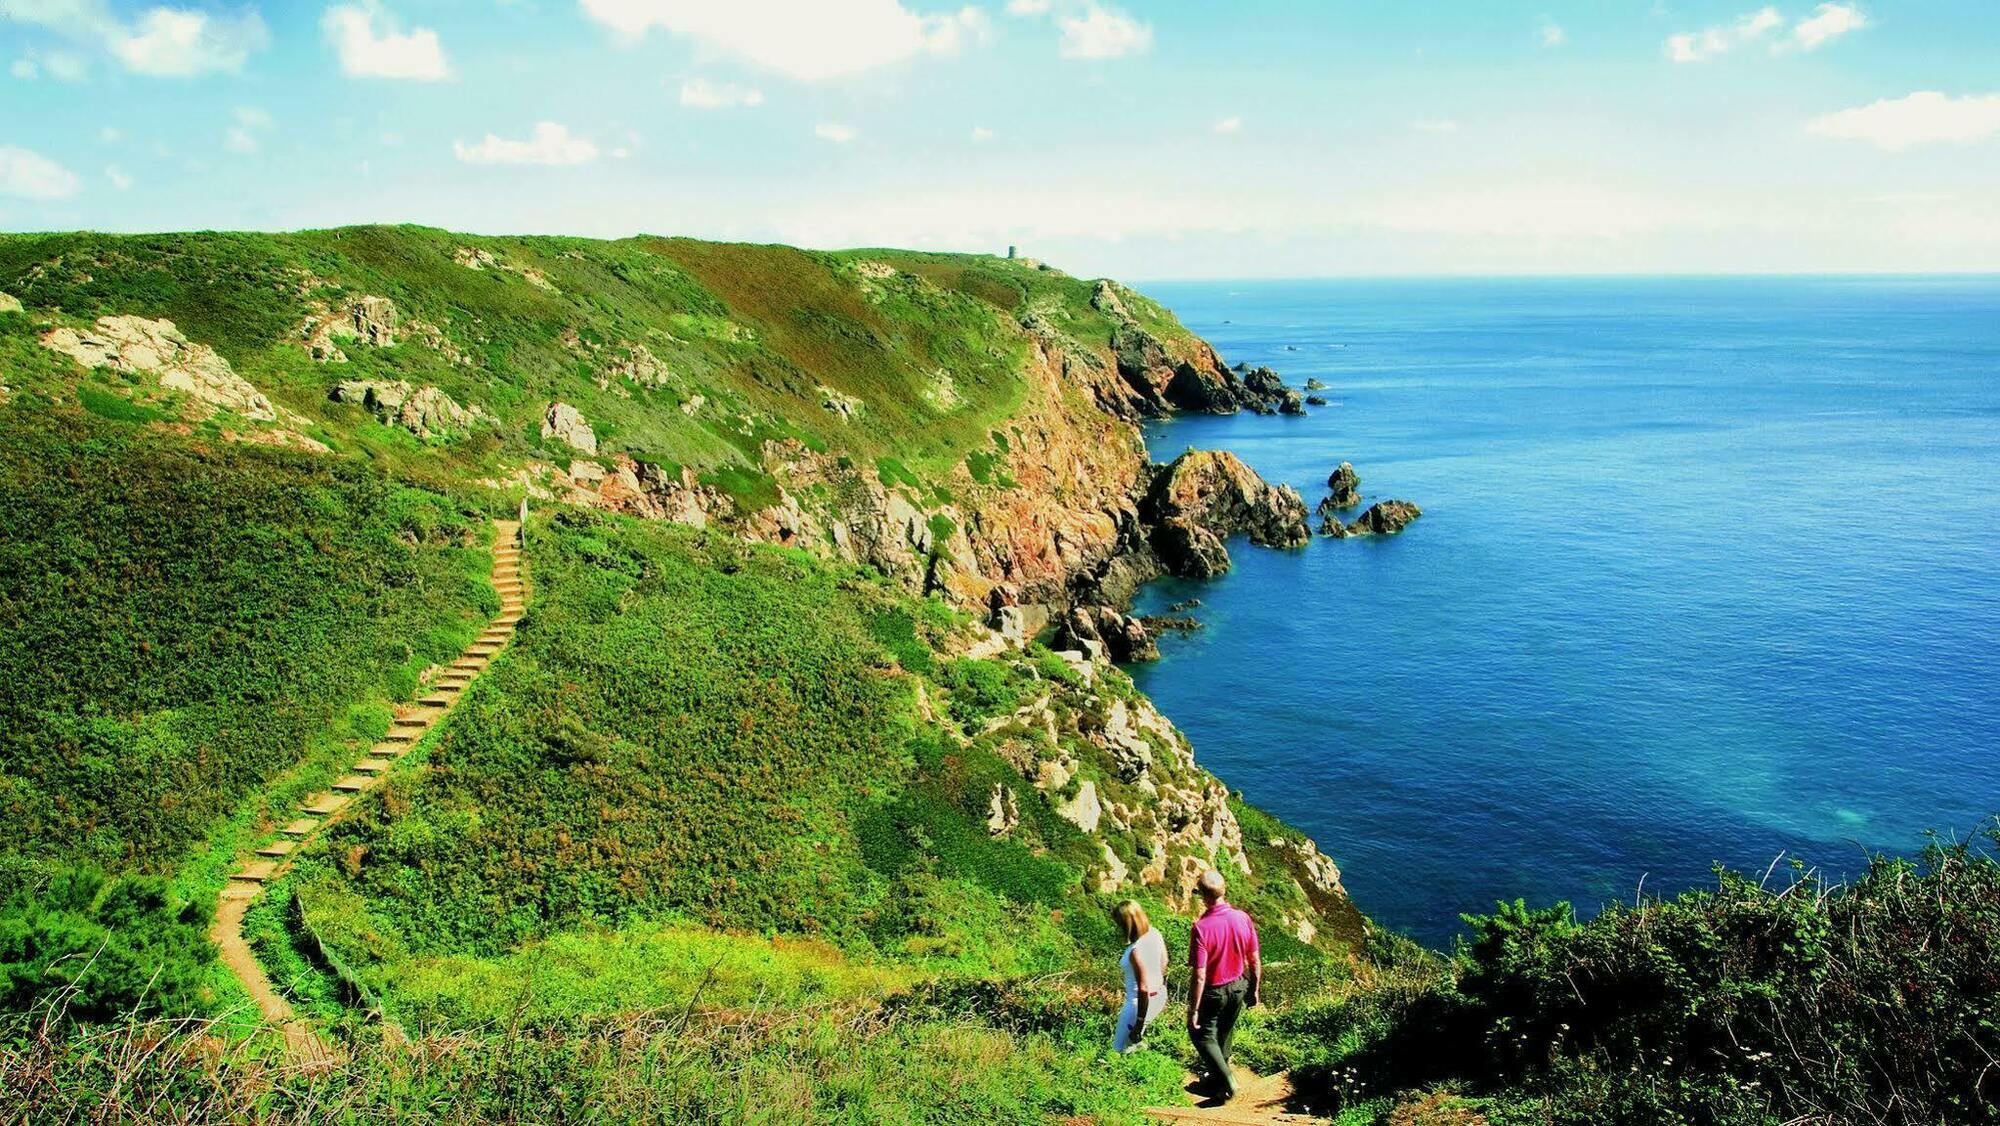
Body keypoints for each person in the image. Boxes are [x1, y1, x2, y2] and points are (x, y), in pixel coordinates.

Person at [1186, 868, 1260, 1102]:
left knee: (1202, 1034)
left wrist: (1193, 1009)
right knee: (1225, 1033)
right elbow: (1254, 959)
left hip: (1214, 990)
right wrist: (1254, 988)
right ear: (1224, 891)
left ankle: (1227, 1080)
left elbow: (1199, 975)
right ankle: (1217, 1083)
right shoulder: (1243, 918)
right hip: (1239, 986)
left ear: (1204, 897)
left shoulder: (1201, 928)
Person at [1112, 900, 1168, 1052]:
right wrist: (1156, 982)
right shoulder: (1154, 933)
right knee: (1132, 1044)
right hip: (1158, 996)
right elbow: (1164, 961)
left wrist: (1139, 1023)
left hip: (1138, 1003)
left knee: (1118, 1050)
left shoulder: (1135, 951)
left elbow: (1143, 988)